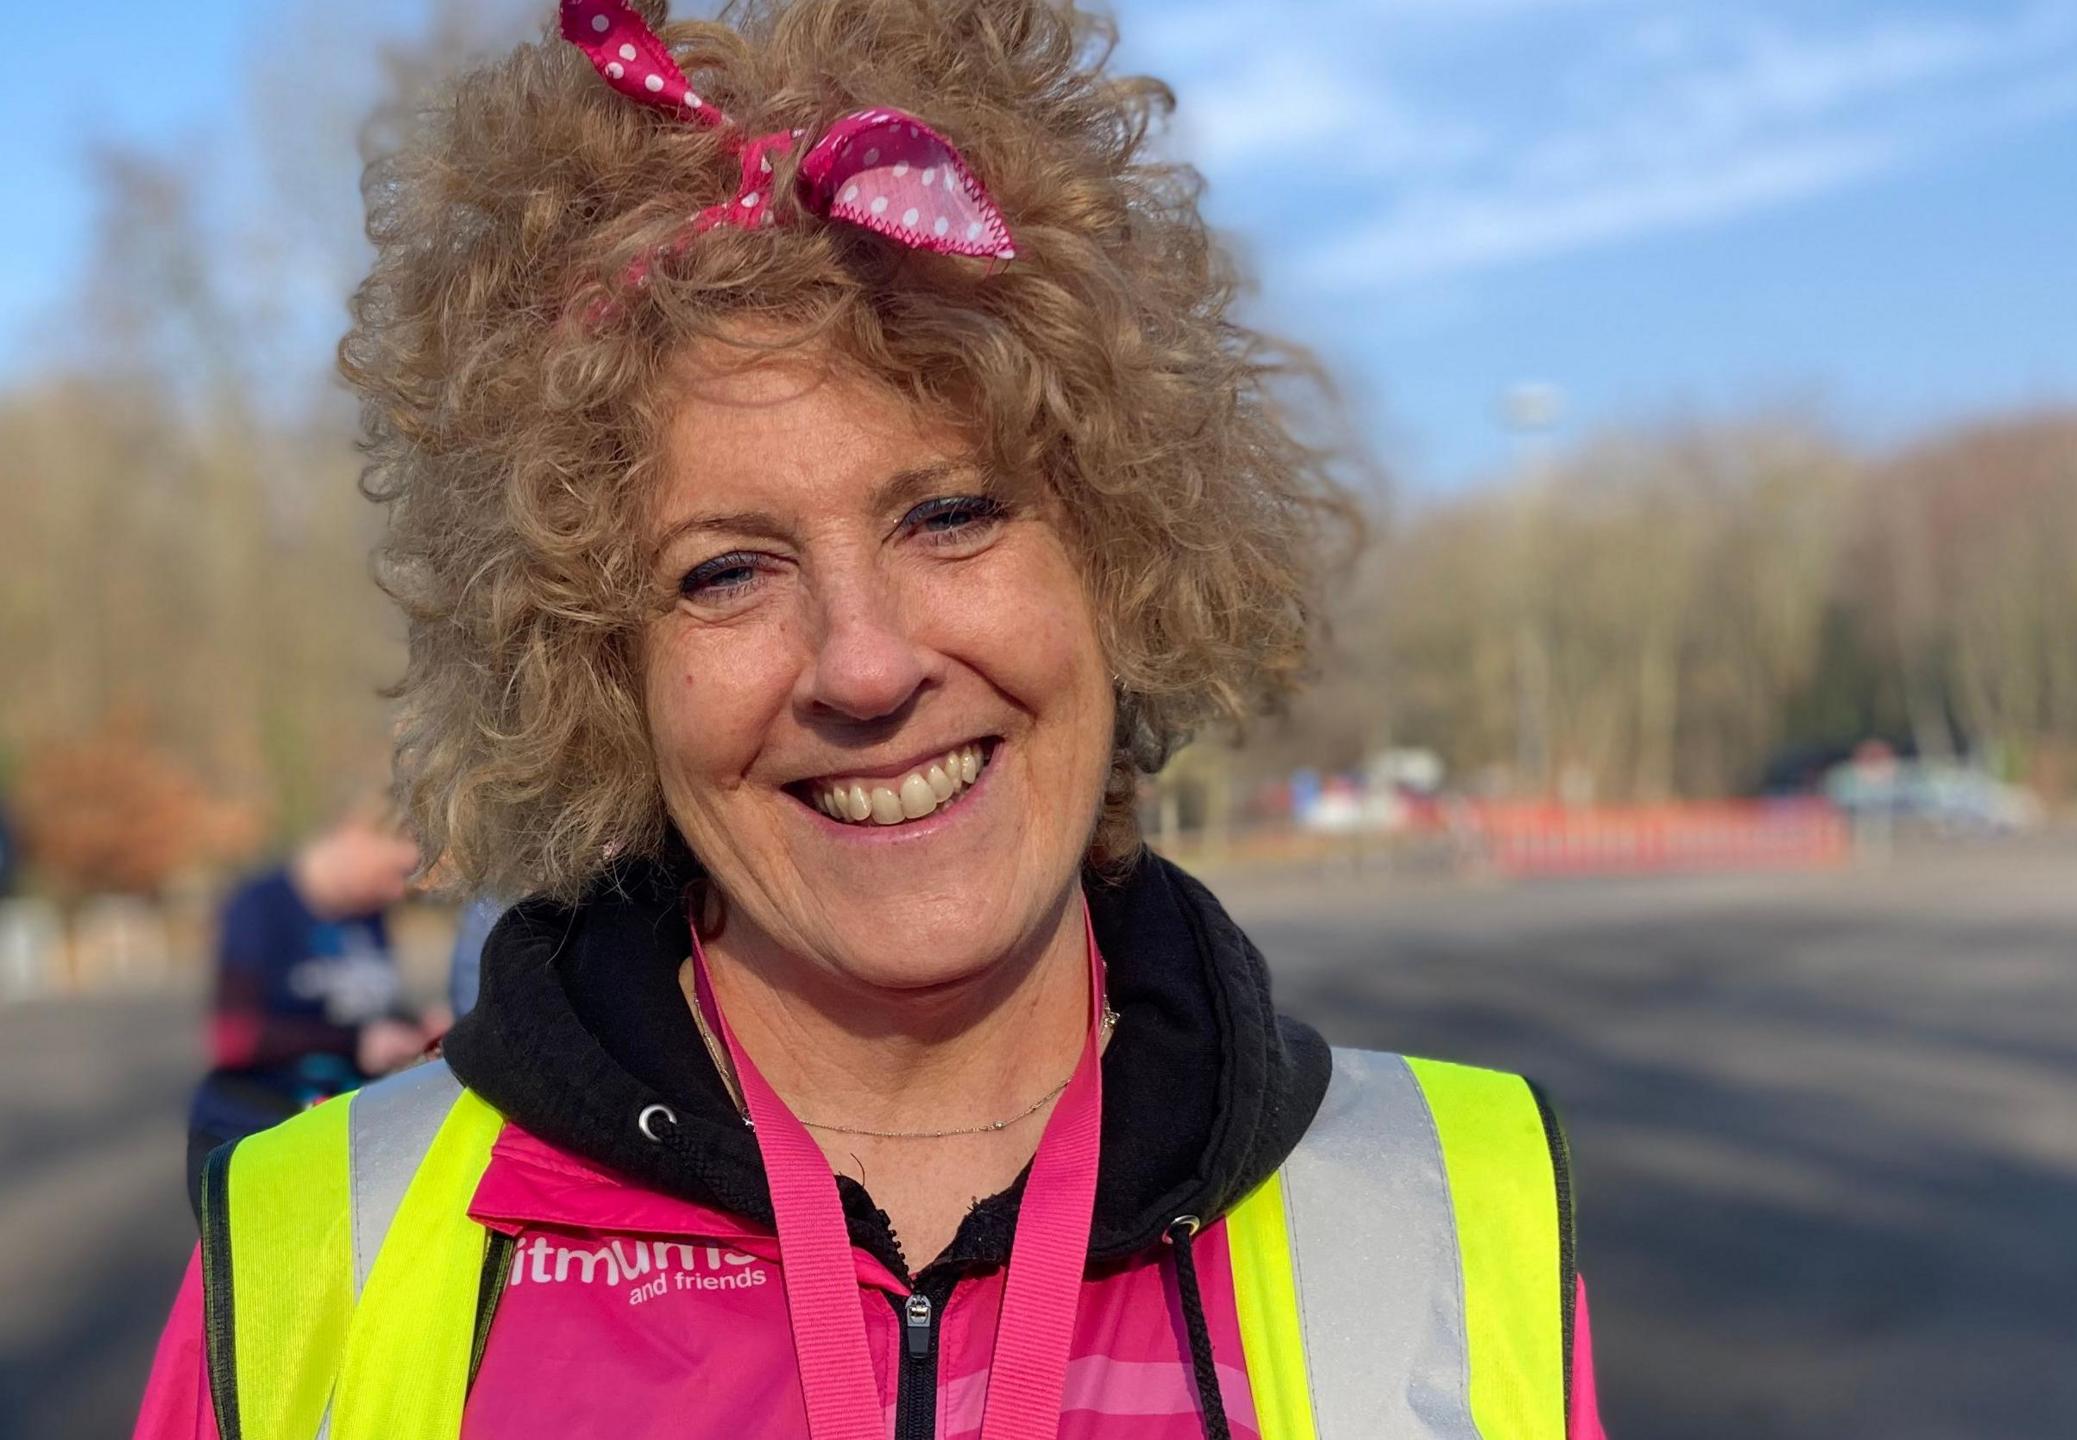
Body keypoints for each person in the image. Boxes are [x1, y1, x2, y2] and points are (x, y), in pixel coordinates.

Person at [134, 2, 1606, 1436]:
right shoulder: (307, 1257)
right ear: (596, 666)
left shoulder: (1445, 1221)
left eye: (952, 513)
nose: (863, 664)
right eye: (724, 570)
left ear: (1122, 554)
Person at [181, 802, 436, 1197]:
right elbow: (233, 1039)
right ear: (355, 834)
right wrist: (356, 1042)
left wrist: (419, 1029)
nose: (397, 890)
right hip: (256, 1130)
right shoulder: (258, 907)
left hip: (341, 1132)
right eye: (395, 872)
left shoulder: (370, 916)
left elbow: (363, 1013)